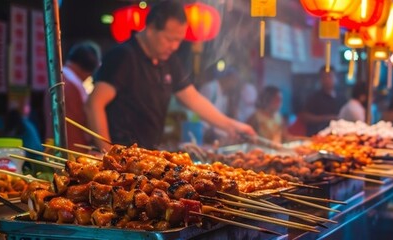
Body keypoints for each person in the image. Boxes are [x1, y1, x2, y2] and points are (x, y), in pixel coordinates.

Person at [86, 0, 254, 150]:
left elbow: (193, 98)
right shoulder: (124, 56)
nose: (174, 46)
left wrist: (231, 126)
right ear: (151, 29)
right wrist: (107, 152)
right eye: (169, 39)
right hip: (121, 154)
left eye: (179, 40)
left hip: (147, 155)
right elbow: (94, 104)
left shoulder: (168, 60)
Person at [45, 41, 100, 149]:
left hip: (53, 146)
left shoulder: (57, 79)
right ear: (88, 71)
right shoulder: (71, 86)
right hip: (71, 151)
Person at [302, 66, 343, 135]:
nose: (327, 79)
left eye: (330, 76)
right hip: (317, 135)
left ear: (335, 78)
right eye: (324, 77)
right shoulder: (314, 97)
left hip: (338, 135)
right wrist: (327, 118)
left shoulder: (341, 97)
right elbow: (305, 117)